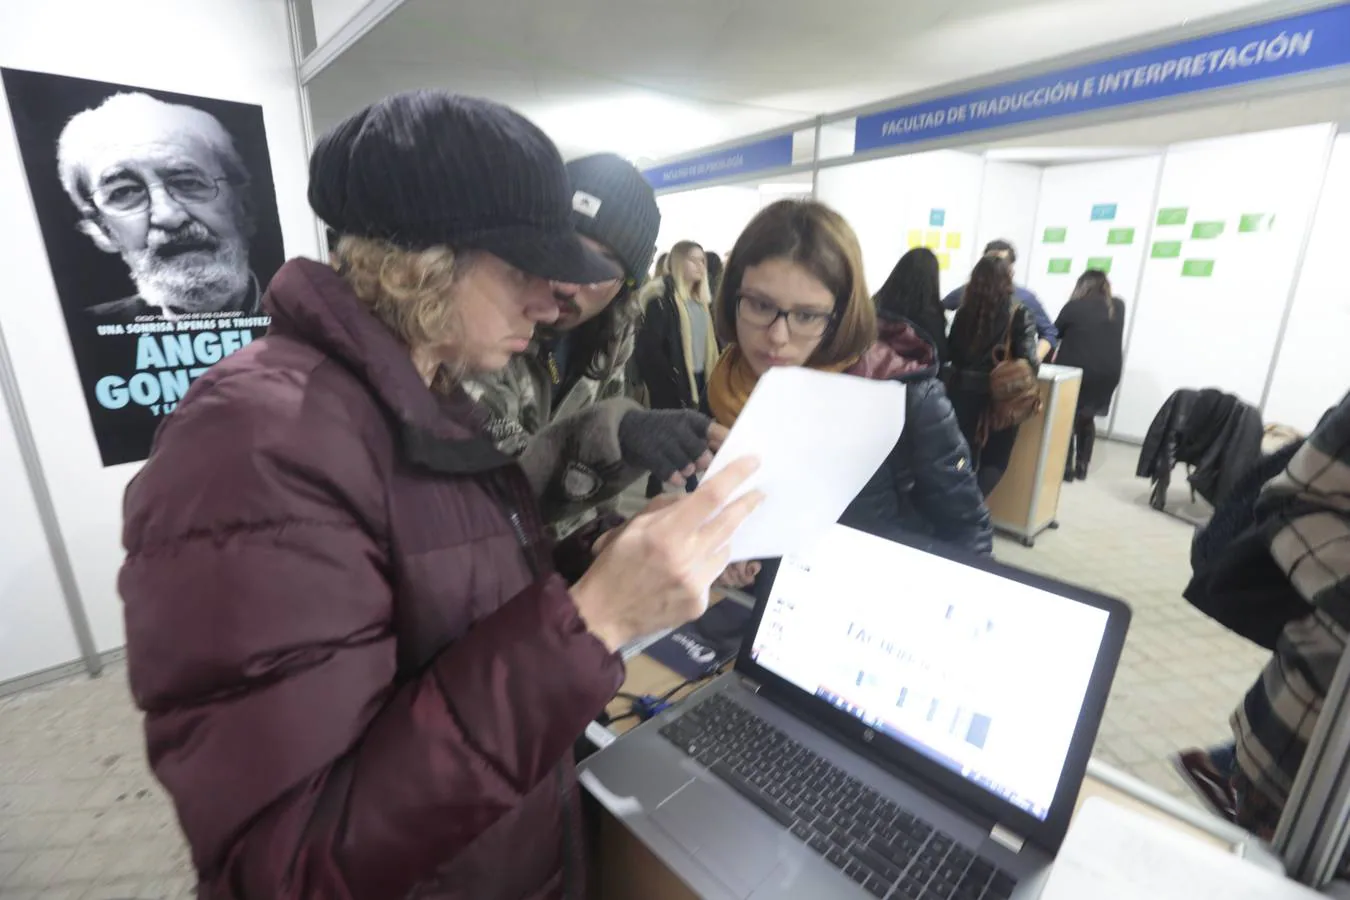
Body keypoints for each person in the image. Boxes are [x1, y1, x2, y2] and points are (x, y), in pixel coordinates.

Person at [117, 90, 762, 899]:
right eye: (522, 268)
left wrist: (603, 562)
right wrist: (594, 621)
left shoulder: (416, 401)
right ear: (420, 260)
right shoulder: (257, 445)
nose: (550, 298)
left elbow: (443, 610)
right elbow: (293, 862)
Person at [707, 199, 991, 580]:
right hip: (762, 614)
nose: (776, 337)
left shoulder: (904, 396)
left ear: (841, 315)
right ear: (733, 296)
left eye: (806, 315)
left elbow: (968, 535)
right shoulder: (729, 383)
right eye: (759, 305)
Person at [466, 153, 718, 534]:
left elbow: (588, 503)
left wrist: (604, 540)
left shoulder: (613, 337)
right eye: (559, 248)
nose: (566, 283)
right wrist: (615, 437)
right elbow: (489, 482)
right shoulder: (486, 327)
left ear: (624, 285)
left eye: (599, 267)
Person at [57, 92, 262, 322]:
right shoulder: (82, 330)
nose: (168, 216)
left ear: (242, 204)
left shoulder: (300, 321)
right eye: (123, 192)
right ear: (103, 229)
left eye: (188, 182)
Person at [947, 256, 1040, 497]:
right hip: (1000, 399)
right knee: (995, 459)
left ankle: (955, 508)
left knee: (961, 455)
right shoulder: (1018, 313)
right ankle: (972, 509)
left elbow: (952, 351)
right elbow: (1030, 362)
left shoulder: (963, 312)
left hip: (961, 395)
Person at [636, 240, 721, 494]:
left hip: (699, 377)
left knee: (688, 433)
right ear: (677, 262)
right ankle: (689, 483)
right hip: (673, 380)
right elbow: (648, 349)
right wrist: (667, 382)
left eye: (702, 260)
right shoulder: (662, 301)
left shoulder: (701, 301)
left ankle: (657, 482)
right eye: (693, 260)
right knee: (677, 433)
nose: (700, 266)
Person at [1054, 269, 1126, 481]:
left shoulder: (1073, 307)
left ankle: (1065, 468)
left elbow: (1054, 333)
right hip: (1108, 373)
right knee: (1087, 416)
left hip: (1074, 371)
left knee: (1066, 417)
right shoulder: (1118, 307)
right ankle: (1082, 466)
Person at [943, 240, 1057, 360]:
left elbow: (1049, 332)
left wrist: (1034, 360)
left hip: (1002, 371)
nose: (994, 266)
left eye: (1001, 261)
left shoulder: (1024, 298)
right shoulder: (967, 291)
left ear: (1011, 268)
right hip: (965, 369)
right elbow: (939, 308)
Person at [874, 246, 949, 364]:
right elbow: (941, 355)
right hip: (914, 377)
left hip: (874, 374)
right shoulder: (931, 317)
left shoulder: (877, 304)